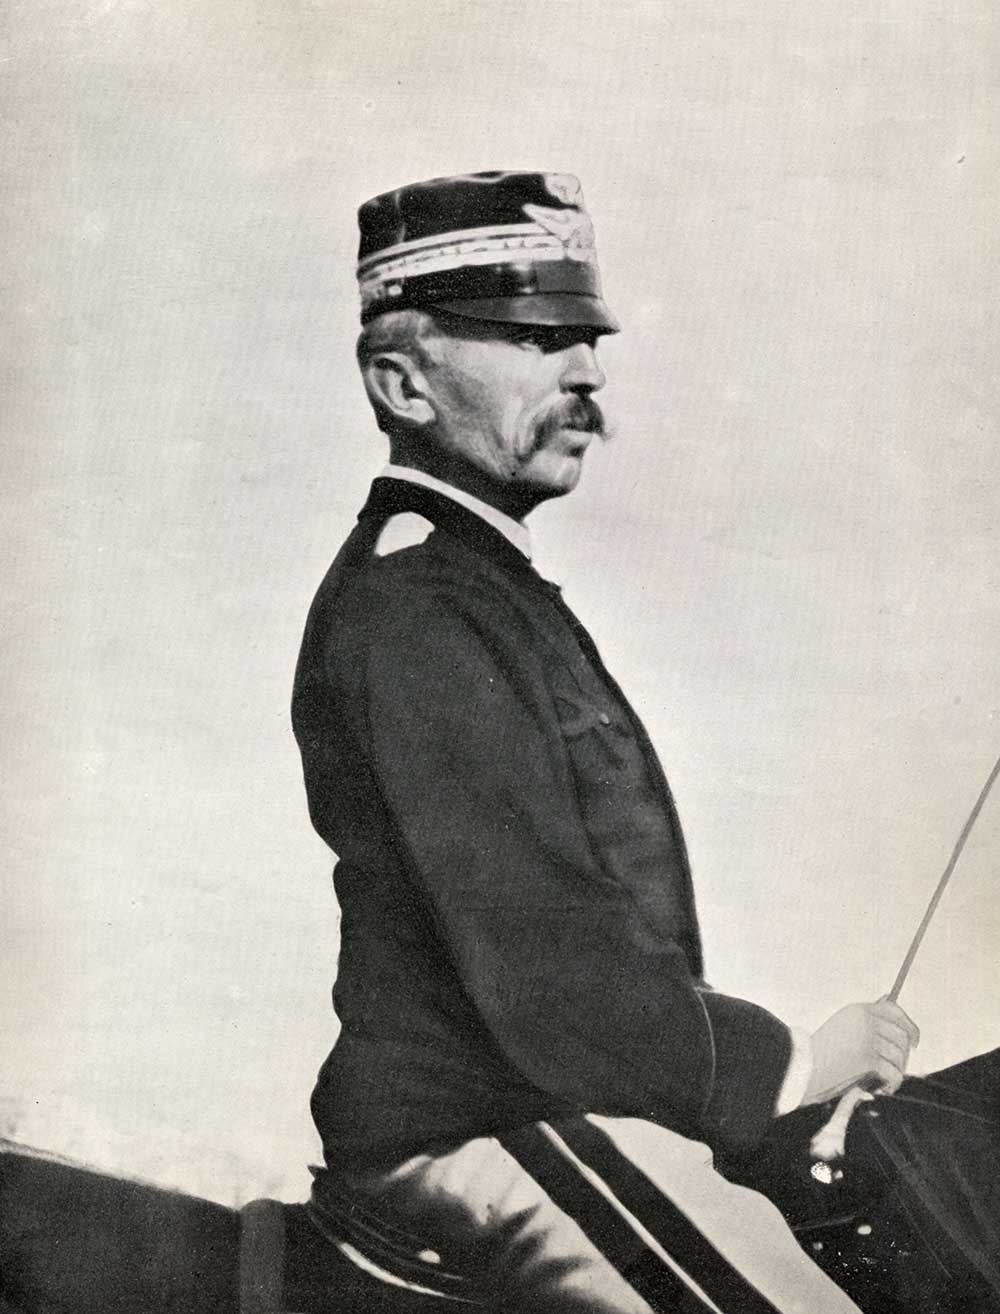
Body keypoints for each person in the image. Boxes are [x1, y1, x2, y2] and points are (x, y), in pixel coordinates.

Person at [291, 171, 1000, 1312]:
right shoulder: (420, 607)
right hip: (475, 1133)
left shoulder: (482, 588)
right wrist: (797, 1063)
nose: (586, 372)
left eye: (585, 338)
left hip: (574, 1106)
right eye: (534, 339)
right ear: (402, 383)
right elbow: (550, 964)